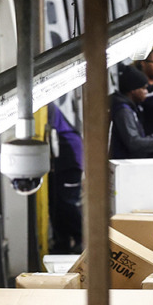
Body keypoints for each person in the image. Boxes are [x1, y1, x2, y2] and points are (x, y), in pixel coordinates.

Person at [47, 103, 84, 254]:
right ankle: (62, 243)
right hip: (59, 159)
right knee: (56, 204)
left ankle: (83, 239)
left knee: (67, 203)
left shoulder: (45, 107)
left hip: (69, 158)